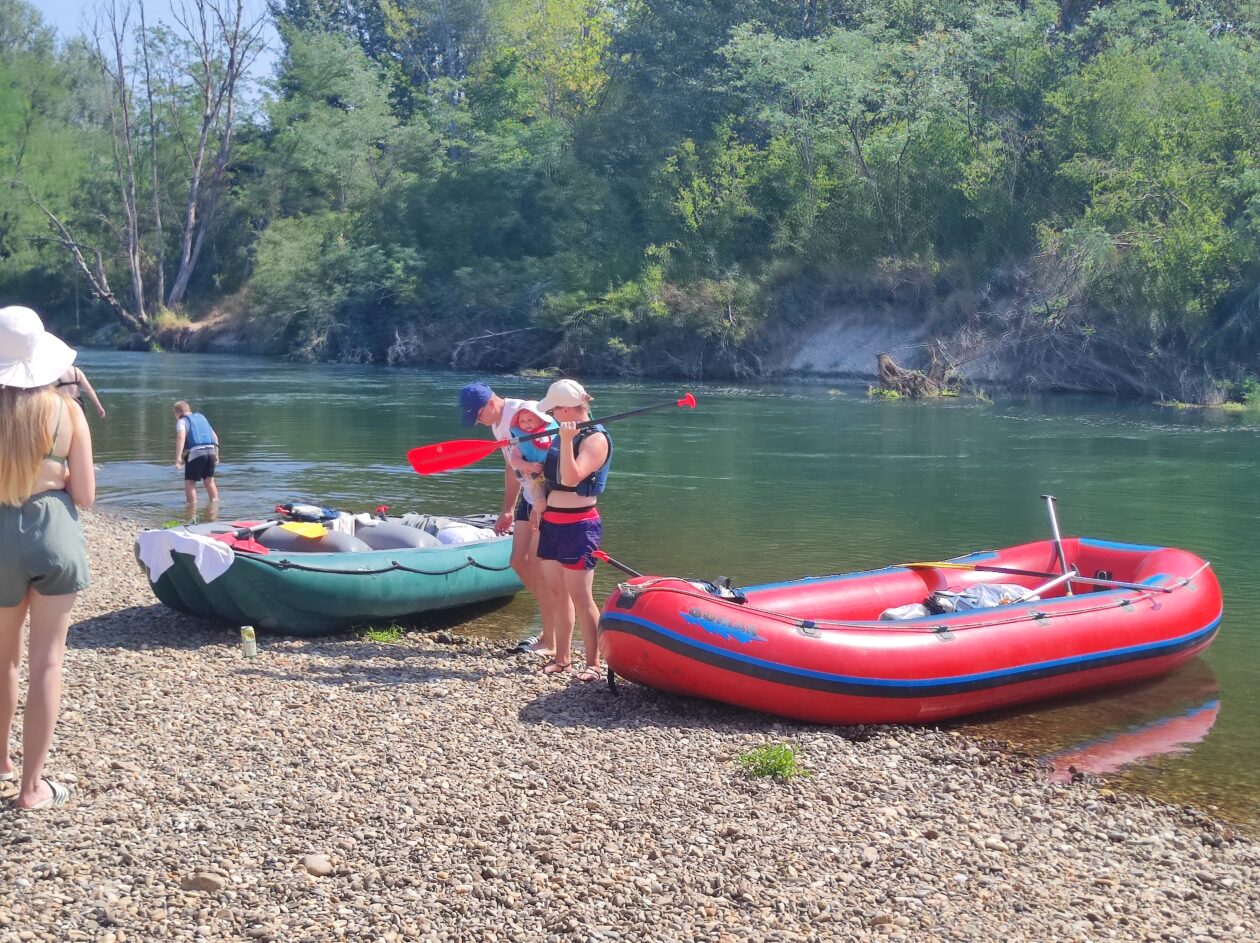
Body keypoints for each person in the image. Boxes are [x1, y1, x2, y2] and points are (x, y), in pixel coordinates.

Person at [0, 305, 95, 811]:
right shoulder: (67, 411)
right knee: (47, 663)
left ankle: (1, 765)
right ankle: (32, 789)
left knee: (3, 660)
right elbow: (85, 494)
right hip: (53, 533)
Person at [459, 383, 569, 653]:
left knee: (542, 565)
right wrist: (508, 509)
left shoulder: (526, 412)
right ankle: (552, 624)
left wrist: (542, 502)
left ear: (490, 404)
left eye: (477, 415)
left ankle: (552, 638)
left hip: (546, 496)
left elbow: (554, 455)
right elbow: (511, 468)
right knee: (519, 561)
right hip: (529, 494)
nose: (478, 423)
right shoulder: (499, 425)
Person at [535, 379, 611, 683]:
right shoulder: (564, 433)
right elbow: (550, 475)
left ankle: (593, 663)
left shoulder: (595, 439)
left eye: (554, 409)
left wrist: (567, 440)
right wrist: (536, 484)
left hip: (579, 525)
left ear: (567, 409)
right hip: (552, 521)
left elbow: (571, 476)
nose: (552, 414)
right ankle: (562, 659)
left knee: (582, 596)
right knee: (557, 593)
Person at [173, 400, 219, 508]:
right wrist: (217, 455)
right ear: (189, 410)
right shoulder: (202, 418)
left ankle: (191, 509)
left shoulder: (182, 421)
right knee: (210, 482)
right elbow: (215, 436)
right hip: (211, 451)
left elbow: (181, 437)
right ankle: (215, 506)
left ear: (177, 413)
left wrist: (178, 457)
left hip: (196, 453)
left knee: (190, 483)